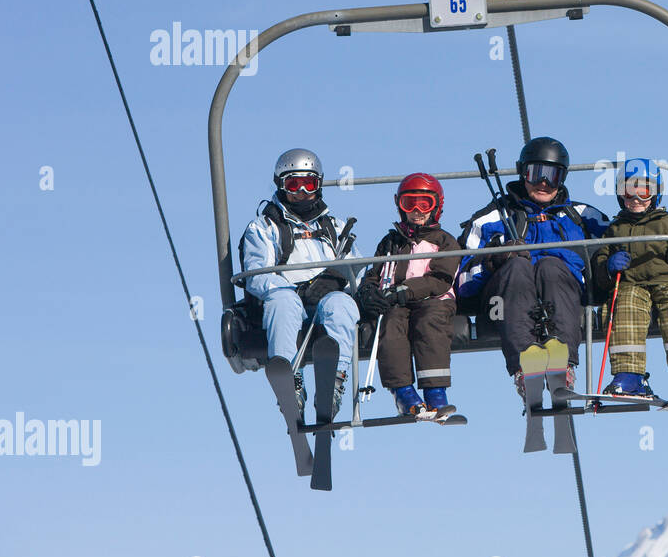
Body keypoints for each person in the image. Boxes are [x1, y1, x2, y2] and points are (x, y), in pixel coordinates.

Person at [456, 136, 608, 392]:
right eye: (536, 173)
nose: (544, 183)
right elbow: (464, 281)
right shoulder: (492, 219)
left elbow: (618, 243)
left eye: (553, 176)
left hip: (561, 294)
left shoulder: (582, 216)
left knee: (551, 265)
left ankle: (562, 366)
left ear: (563, 179)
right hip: (503, 304)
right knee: (517, 267)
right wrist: (496, 261)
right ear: (523, 173)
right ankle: (526, 369)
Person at [239, 149, 361, 430]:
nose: (303, 192)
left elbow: (356, 268)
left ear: (319, 184)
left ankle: (333, 384)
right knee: (283, 303)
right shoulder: (264, 227)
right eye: (294, 184)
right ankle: (290, 384)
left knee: (341, 304)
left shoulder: (335, 227)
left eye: (310, 183)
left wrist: (345, 282)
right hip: (287, 298)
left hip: (324, 302)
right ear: (281, 185)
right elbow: (256, 275)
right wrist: (297, 291)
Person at [589, 157, 668, 401]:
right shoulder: (614, 229)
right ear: (619, 194)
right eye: (628, 191)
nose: (636, 200)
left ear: (656, 194)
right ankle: (629, 376)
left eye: (644, 191)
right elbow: (600, 261)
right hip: (631, 285)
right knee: (624, 306)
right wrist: (609, 267)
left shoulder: (667, 224)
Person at [357, 173, 461, 418]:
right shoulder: (391, 243)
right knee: (390, 324)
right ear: (399, 205)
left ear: (437, 207)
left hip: (433, 300)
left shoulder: (445, 242)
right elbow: (374, 273)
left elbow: (441, 279)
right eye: (409, 203)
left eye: (424, 204)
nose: (416, 210)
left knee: (429, 323)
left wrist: (406, 290)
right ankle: (403, 393)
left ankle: (436, 394)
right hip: (395, 303)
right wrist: (369, 292)